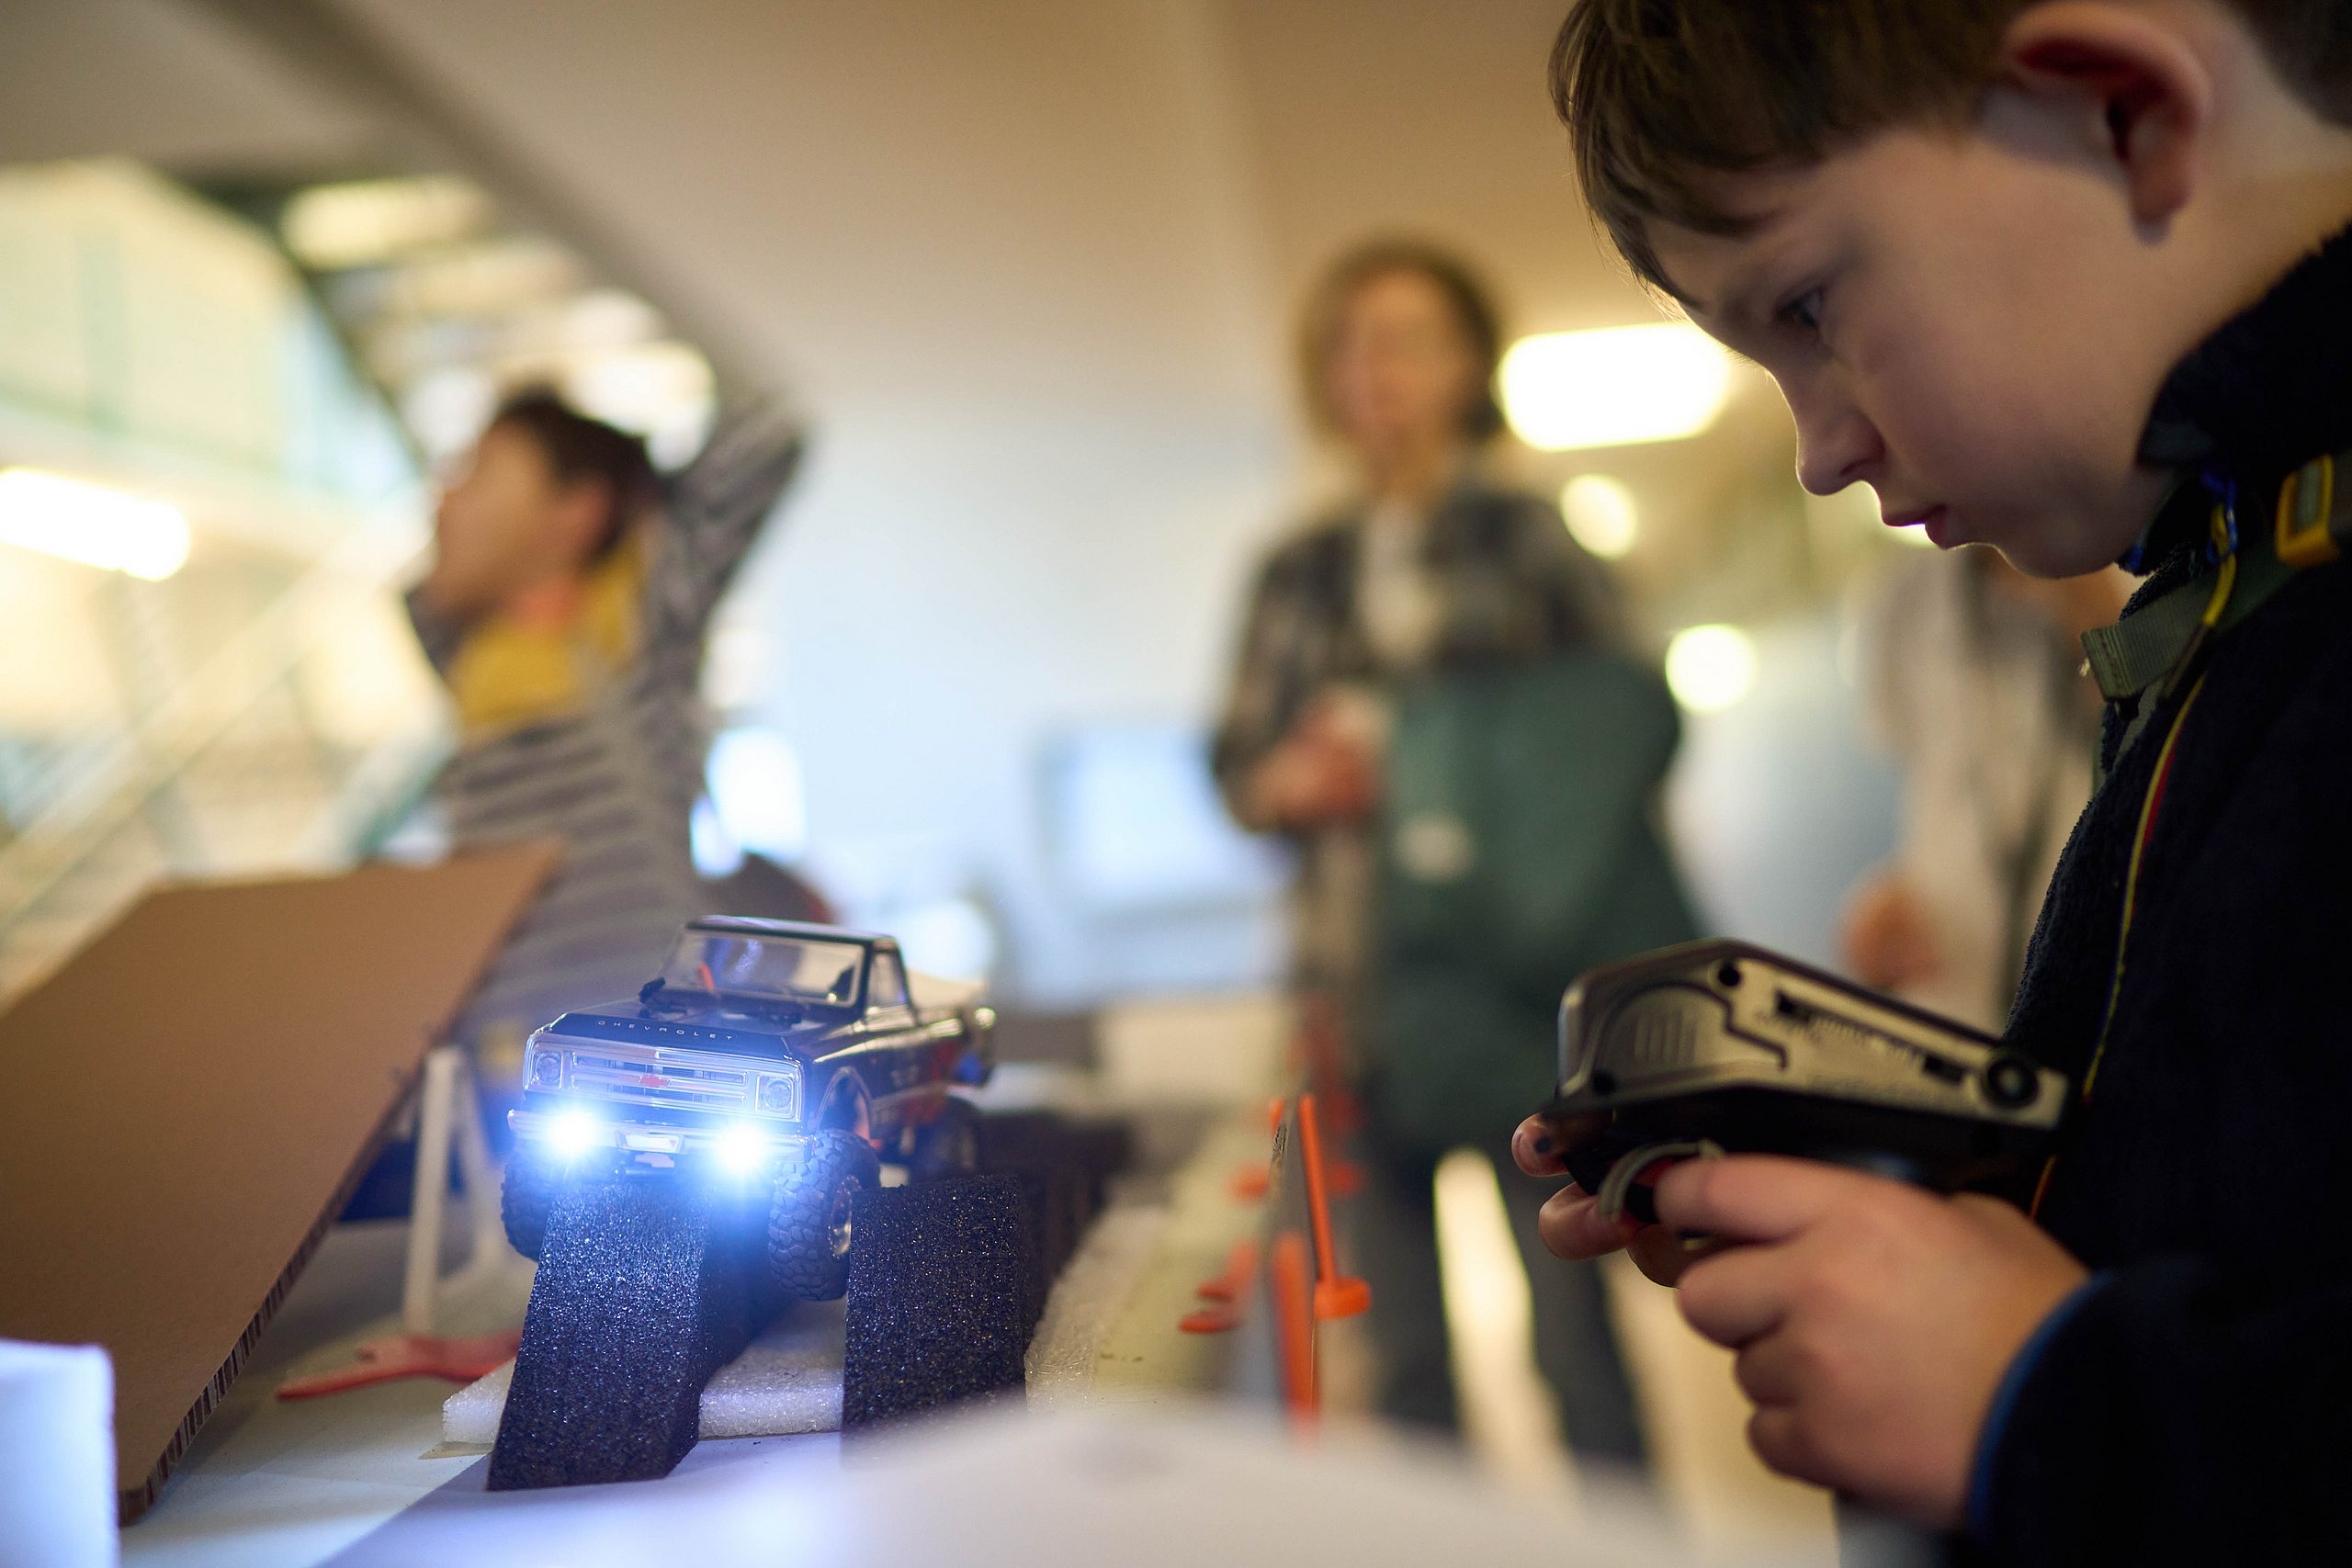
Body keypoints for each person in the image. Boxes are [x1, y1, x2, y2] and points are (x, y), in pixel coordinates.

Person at [1517, 2, 2352, 1561]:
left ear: (2120, 114)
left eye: (1809, 305)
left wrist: (2051, 1397)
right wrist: (1928, 1196)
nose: (1817, 454)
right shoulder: (2239, 573)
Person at [1215, 241, 1693, 1469]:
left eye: (1408, 339)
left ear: (1470, 363)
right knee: (1401, 1358)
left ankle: (1626, 1555)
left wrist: (1442, 770)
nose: (1375, 369)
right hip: (1352, 995)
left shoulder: (1532, 538)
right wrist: (1290, 782)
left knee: (1575, 1336)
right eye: (1349, 343)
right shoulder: (1295, 568)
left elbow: (1622, 729)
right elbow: (1233, 767)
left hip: (1515, 984)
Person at [408, 389, 801, 1096]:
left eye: (480, 470)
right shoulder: (461, 648)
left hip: (658, 1042)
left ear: (576, 510)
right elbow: (428, 588)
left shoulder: (644, 622)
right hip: (514, 1058)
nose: (445, 496)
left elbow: (769, 427)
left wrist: (646, 497)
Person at [1840, 550, 2128, 1032]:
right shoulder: (1900, 598)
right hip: (1951, 977)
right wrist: (1881, 906)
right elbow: (1929, 782)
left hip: (2097, 961)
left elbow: (2152, 718)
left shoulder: (2133, 556)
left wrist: (2088, 602)